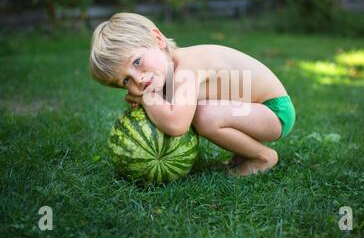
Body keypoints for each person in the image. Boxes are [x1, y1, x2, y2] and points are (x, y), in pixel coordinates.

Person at [89, 13, 296, 176]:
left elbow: (176, 125)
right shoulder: (167, 73)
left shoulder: (189, 67)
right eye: (126, 81)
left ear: (158, 39)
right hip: (254, 111)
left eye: (136, 62)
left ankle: (264, 157)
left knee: (203, 116)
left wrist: (147, 98)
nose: (138, 79)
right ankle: (244, 154)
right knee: (202, 112)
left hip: (274, 111)